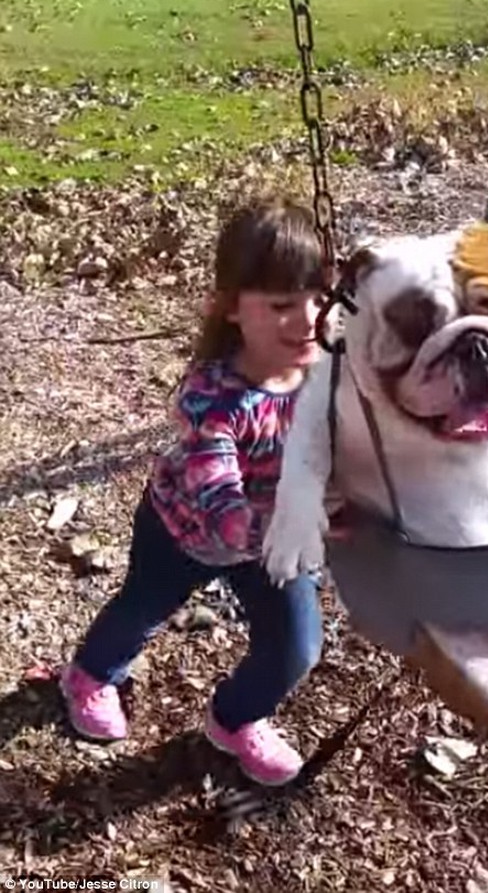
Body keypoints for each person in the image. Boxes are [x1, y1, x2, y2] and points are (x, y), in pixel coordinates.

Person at [61, 197, 328, 786]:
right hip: (181, 531)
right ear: (231, 308)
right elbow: (224, 508)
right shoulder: (211, 399)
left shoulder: (328, 374)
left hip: (277, 544)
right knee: (140, 612)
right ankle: (90, 673)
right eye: (283, 304)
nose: (309, 318)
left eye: (319, 298)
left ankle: (235, 718)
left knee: (298, 648)